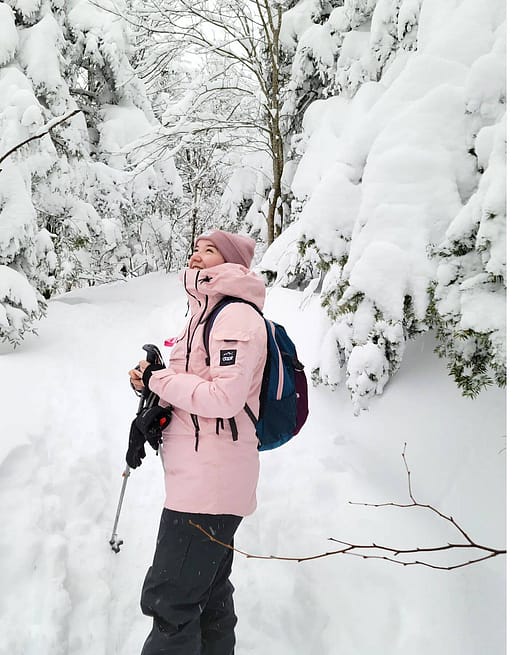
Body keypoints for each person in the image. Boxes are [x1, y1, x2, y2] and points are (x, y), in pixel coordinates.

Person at [128, 229, 267, 655]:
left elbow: (224, 399)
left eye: (208, 251)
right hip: (201, 478)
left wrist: (160, 378)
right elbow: (192, 387)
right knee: (208, 594)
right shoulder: (203, 316)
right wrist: (149, 383)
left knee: (171, 599)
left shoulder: (236, 318)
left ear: (231, 264)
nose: (196, 256)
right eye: (195, 250)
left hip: (210, 484)